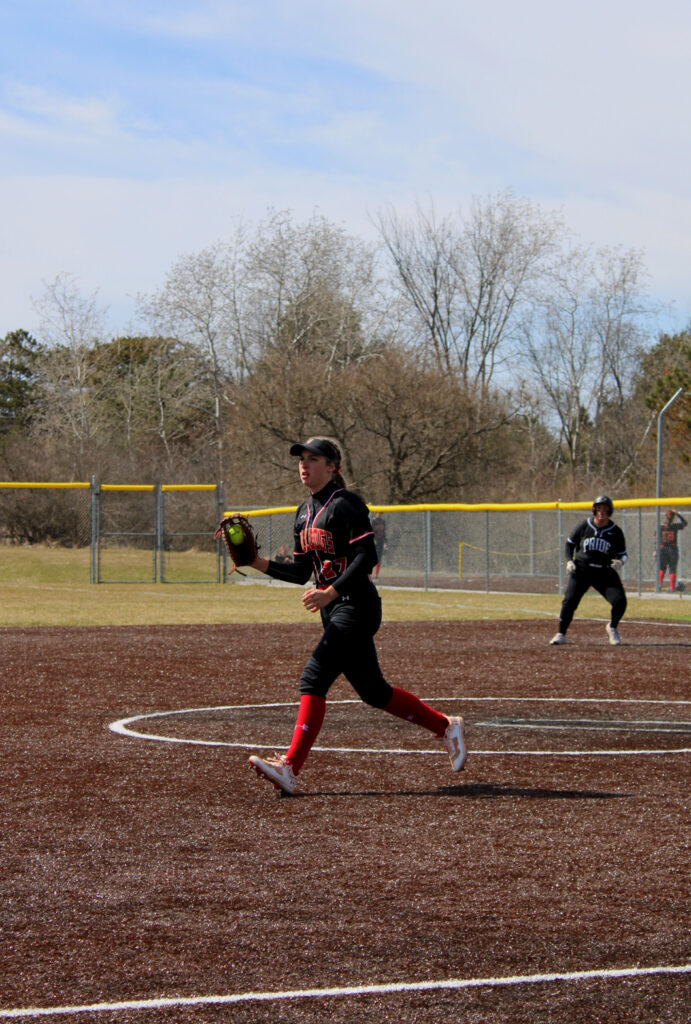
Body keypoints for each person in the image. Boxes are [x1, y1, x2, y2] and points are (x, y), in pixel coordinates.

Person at [245, 436, 467, 795]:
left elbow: (367, 555)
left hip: (357, 604)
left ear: (334, 466)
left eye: (313, 459)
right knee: (374, 692)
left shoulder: (346, 504)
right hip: (335, 609)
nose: (304, 465)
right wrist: (258, 563)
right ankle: (445, 726)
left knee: (313, 677)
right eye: (301, 459)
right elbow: (301, 570)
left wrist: (331, 591)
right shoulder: (303, 513)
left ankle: (289, 767)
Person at [550, 495, 628, 647]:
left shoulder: (615, 531)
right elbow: (569, 544)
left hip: (604, 572)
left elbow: (623, 553)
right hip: (582, 570)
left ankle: (612, 627)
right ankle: (561, 633)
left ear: (610, 511)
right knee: (569, 601)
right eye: (598, 509)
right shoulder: (584, 525)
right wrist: (569, 561)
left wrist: (620, 561)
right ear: (594, 510)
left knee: (620, 601)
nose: (601, 512)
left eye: (605, 509)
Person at [658, 509, 687, 592]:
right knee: (672, 568)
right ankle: (672, 588)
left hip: (662, 548)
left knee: (662, 568)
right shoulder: (674, 526)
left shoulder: (660, 526)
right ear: (673, 518)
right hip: (672, 548)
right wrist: (678, 514)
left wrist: (656, 549)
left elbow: (656, 537)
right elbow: (685, 523)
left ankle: (659, 585)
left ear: (665, 517)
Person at [370, 511, 387, 579]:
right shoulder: (373, 521)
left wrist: (385, 542)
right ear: (375, 513)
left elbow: (384, 532)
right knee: (371, 558)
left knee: (379, 558)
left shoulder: (383, 521)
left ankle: (376, 575)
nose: (380, 514)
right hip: (374, 542)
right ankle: (368, 574)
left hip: (380, 541)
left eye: (381, 513)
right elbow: (370, 532)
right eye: (378, 513)